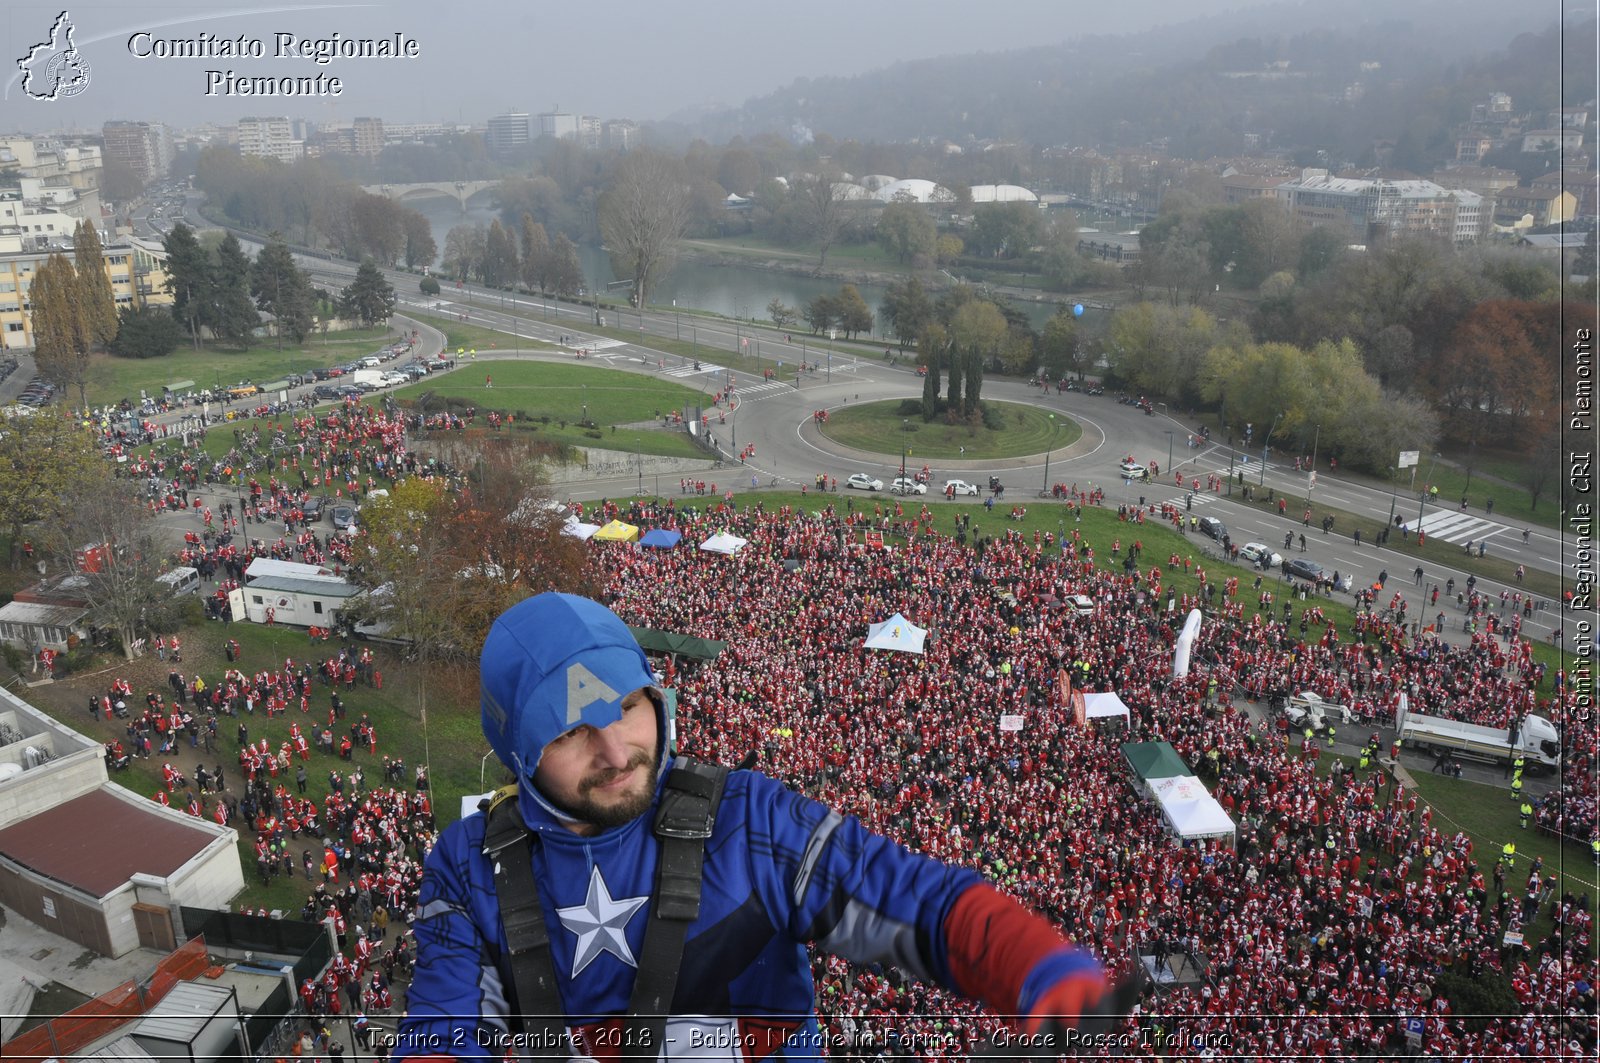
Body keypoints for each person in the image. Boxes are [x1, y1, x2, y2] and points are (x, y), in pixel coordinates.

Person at [395, 594, 1107, 1062]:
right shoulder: (468, 868)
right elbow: (442, 1027)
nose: (616, 752)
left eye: (629, 708)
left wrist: (1030, 961)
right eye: (573, 731)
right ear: (519, 752)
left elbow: (905, 898)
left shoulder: (749, 820)